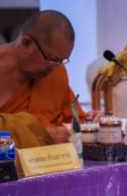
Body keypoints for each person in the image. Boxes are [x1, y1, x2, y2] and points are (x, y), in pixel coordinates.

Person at [0, 10, 103, 144]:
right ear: (26, 43)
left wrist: (90, 121)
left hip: (56, 155)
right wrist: (38, 134)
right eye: (51, 59)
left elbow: (70, 121)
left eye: (61, 61)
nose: (55, 67)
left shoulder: (56, 73)